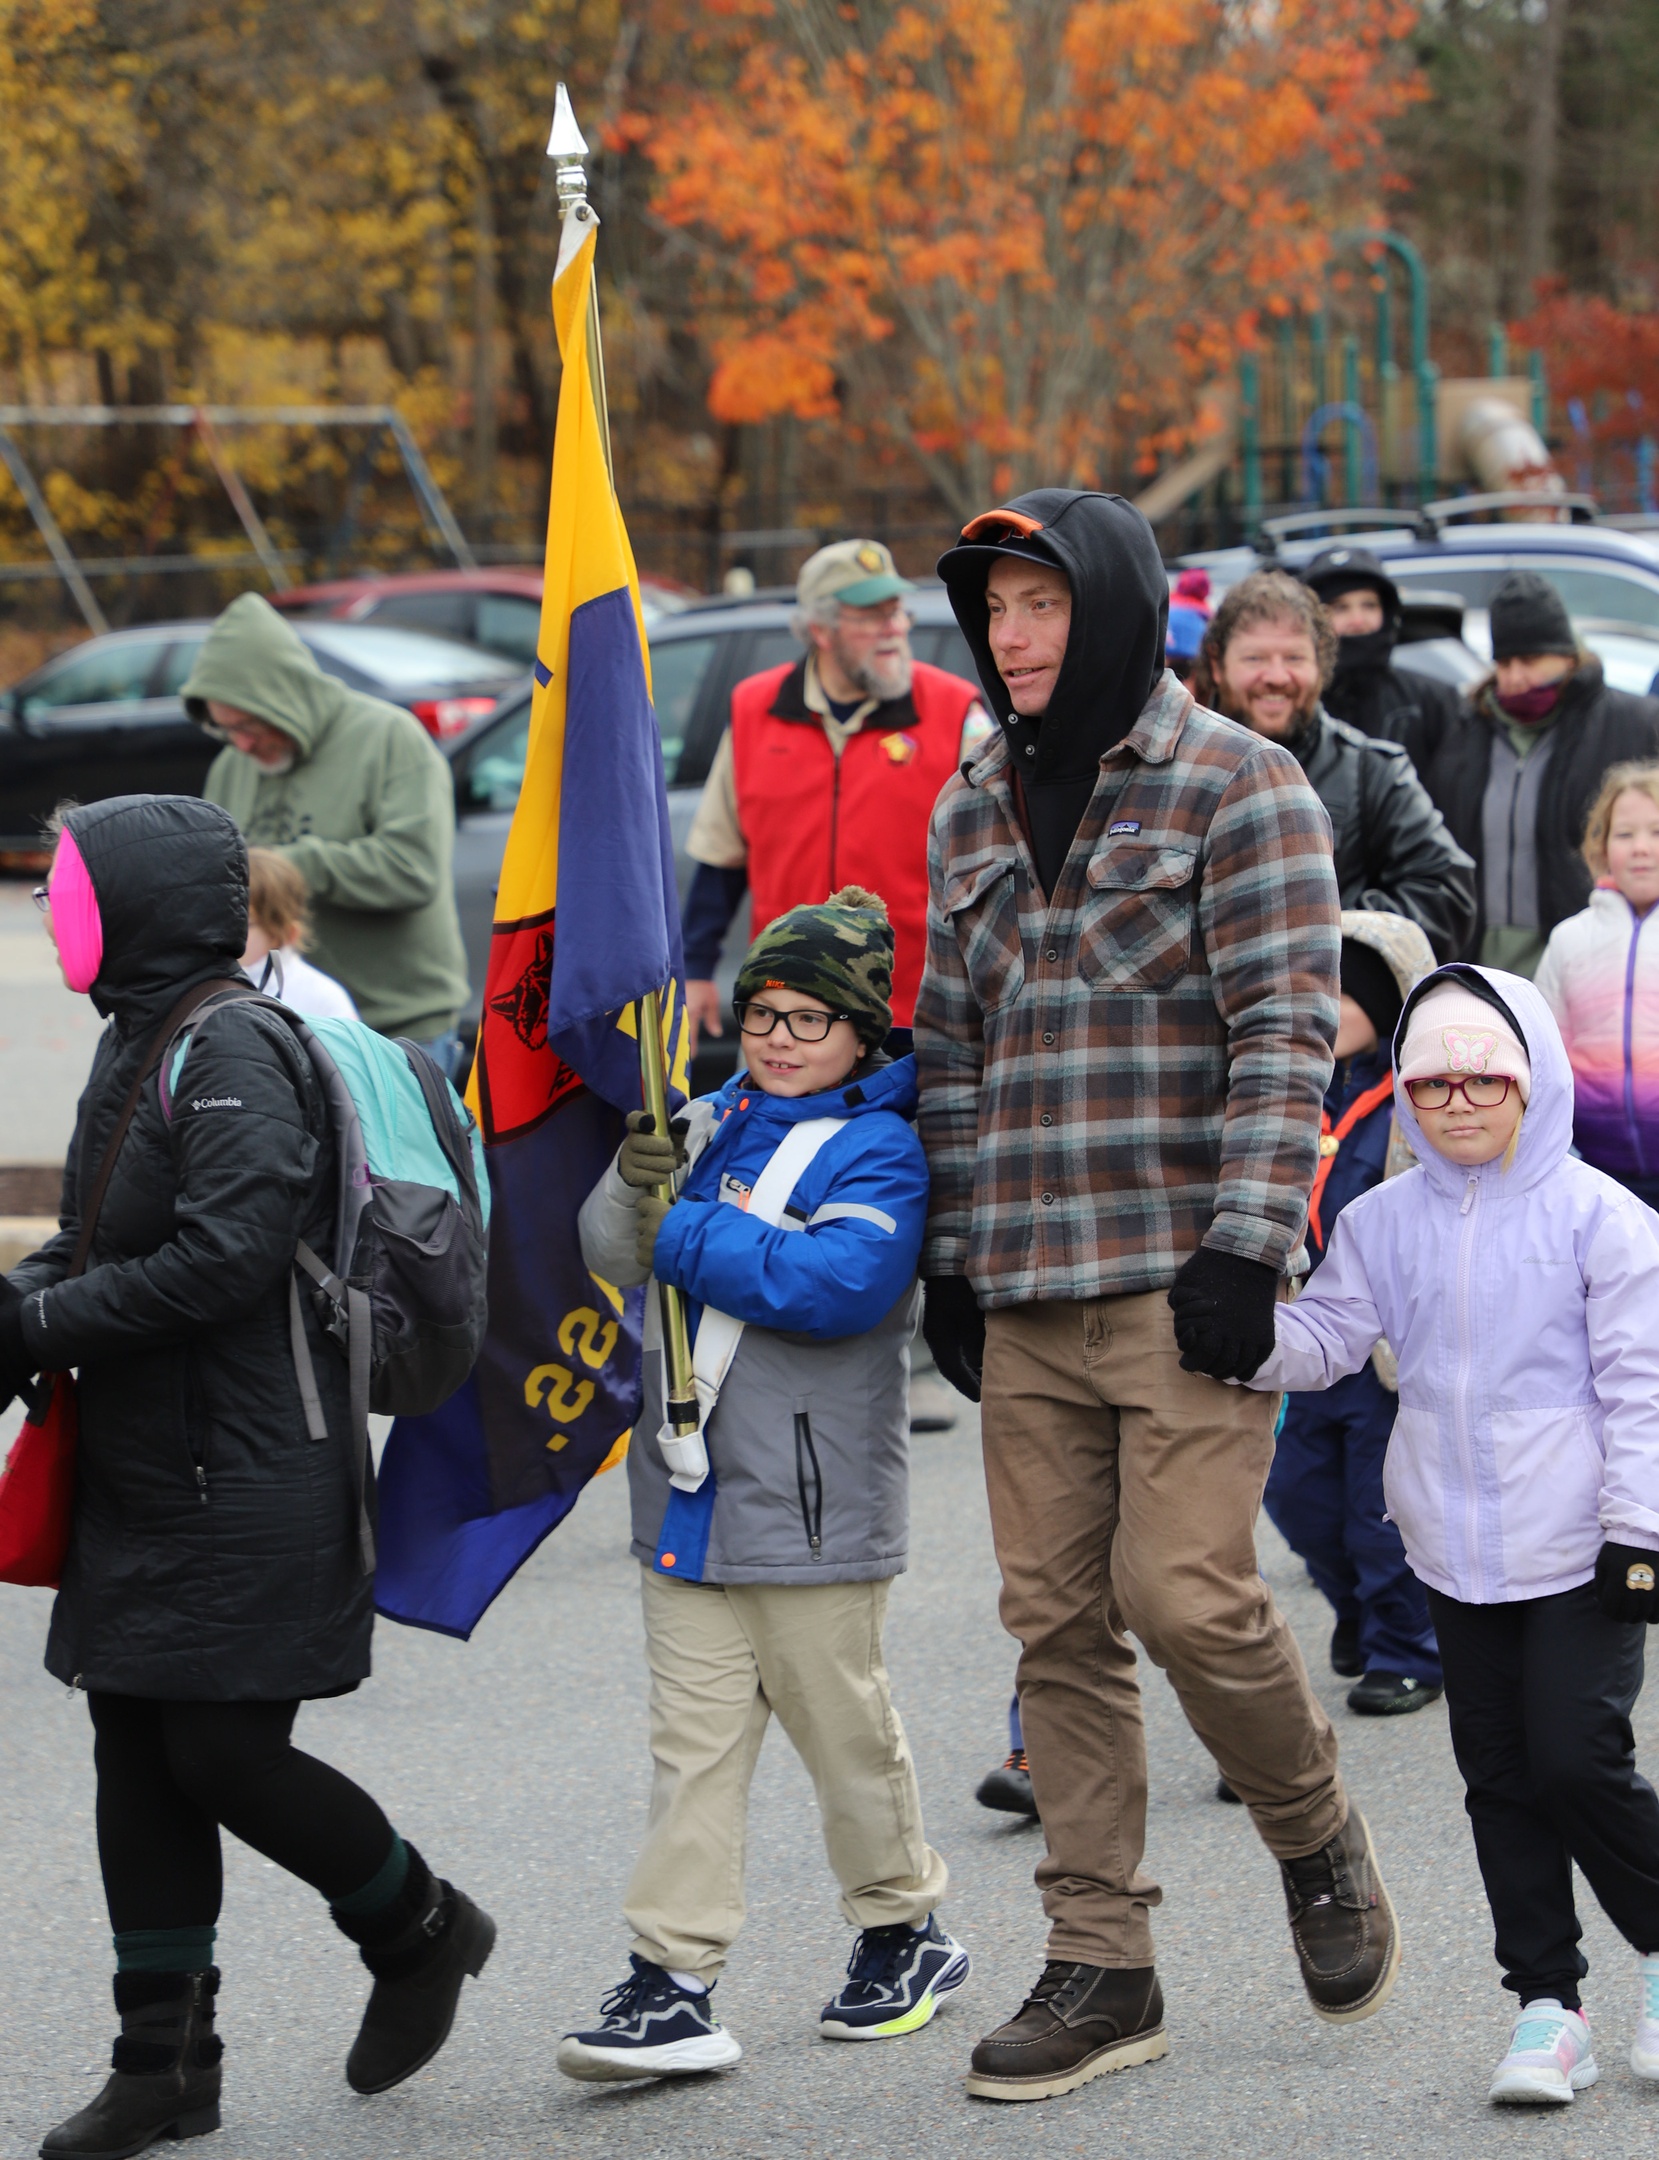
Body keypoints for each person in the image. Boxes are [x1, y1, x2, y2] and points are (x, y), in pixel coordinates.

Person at [919, 488, 1397, 2106]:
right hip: (1024, 1280)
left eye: (1038, 607)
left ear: (1111, 609)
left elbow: (1280, 1027)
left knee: (1183, 1597)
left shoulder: (1238, 782)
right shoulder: (970, 799)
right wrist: (949, 1262)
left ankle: (1309, 1829)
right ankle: (1099, 1964)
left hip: (1181, 1281)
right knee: (1053, 1624)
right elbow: (947, 1048)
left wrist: (1241, 1246)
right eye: (991, 613)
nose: (1010, 638)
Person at [0, 795, 492, 2159]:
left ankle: (417, 1925)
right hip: (150, 1459)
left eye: (71, 887)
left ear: (143, 900)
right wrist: (17, 1304)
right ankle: (163, 2063)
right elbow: (91, 1236)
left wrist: (38, 1325)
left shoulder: (232, 1049)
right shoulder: (138, 1036)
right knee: (132, 1743)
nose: (53, 910)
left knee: (218, 1748)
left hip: (258, 1458)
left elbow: (225, 1260)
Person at [561, 888, 966, 2083]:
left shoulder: (883, 1147)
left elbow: (838, 1282)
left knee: (845, 1739)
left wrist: (677, 1220)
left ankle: (905, 1928)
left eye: (811, 1018)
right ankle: (670, 1979)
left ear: (860, 1034)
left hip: (810, 1503)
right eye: (764, 1013)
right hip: (685, 1497)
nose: (781, 1036)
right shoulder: (702, 1117)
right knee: (692, 1748)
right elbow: (607, 1244)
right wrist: (634, 1185)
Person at [1242, 963, 1659, 2107]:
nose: (1458, 1103)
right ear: (1407, 1097)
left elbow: (1643, 1386)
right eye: (1432, 1085)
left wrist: (1643, 1531)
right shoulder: (1380, 1221)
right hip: (1452, 1547)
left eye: (1485, 1080)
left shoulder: (1603, 1220)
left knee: (1580, 1760)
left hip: (1584, 1544)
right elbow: (1327, 1342)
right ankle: (1547, 2006)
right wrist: (1243, 1330)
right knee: (1501, 1778)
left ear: (1533, 1085)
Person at [681, 539, 990, 1045]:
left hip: (912, 1018)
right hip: (781, 1020)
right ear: (820, 629)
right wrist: (696, 969)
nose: (894, 627)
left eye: (897, 611)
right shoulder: (753, 711)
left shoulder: (958, 713)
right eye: (871, 615)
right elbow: (720, 859)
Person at [1261, 911, 1443, 1719]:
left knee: (1379, 1513)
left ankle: (1406, 1648)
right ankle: (1357, 1613)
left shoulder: (1417, 1103)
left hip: (1380, 1354)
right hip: (1302, 1334)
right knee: (1295, 1499)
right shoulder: (1290, 1092)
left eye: (1342, 992)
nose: (1323, 1007)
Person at [182, 592, 471, 1075]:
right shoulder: (232, 767)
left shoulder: (389, 739)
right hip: (278, 1025)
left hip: (395, 1028)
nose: (242, 743)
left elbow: (412, 869)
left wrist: (284, 866)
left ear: (286, 696)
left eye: (250, 724)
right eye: (225, 728)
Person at [1194, 567, 1476, 963]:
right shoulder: (1175, 768)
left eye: (1294, 657)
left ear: (1321, 665)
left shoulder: (1372, 772)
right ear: (1218, 664)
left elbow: (1447, 892)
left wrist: (1343, 943)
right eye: (1255, 657)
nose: (1276, 676)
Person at [1414, 569, 1659, 977]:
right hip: (1479, 961)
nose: (1514, 678)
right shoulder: (1466, 730)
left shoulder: (1633, 724)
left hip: (1590, 962)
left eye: (1529, 660)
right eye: (1504, 662)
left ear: (1566, 654)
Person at [1536, 762, 1659, 1208]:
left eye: (1657, 832)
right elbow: (1544, 1053)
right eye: (1625, 835)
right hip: (1594, 1170)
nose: (1641, 848)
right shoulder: (1570, 939)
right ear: (1602, 846)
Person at [1300, 544, 1463, 764]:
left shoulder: (1432, 702)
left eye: (1369, 605)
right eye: (1340, 608)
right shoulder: (1292, 704)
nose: (1358, 621)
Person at [241, 846, 359, 1020]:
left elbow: (346, 1047)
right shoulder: (201, 984)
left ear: (286, 933)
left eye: (245, 924)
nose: (225, 932)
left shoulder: (322, 998)